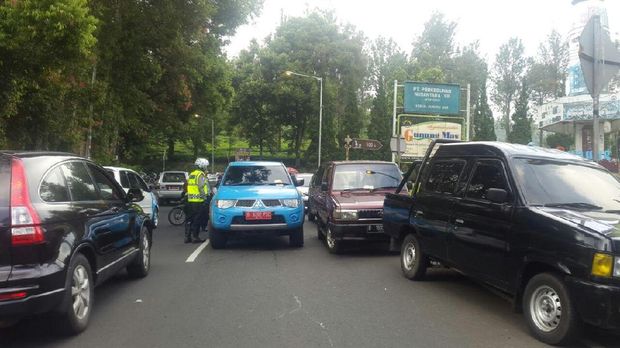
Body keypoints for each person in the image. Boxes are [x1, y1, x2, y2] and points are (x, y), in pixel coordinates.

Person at [185, 158, 211, 243]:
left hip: (190, 199)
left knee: (190, 219)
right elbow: (200, 186)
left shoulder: (192, 174)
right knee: (197, 219)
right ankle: (195, 237)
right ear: (202, 166)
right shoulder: (201, 175)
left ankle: (187, 237)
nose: (207, 167)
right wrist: (204, 197)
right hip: (199, 200)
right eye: (206, 166)